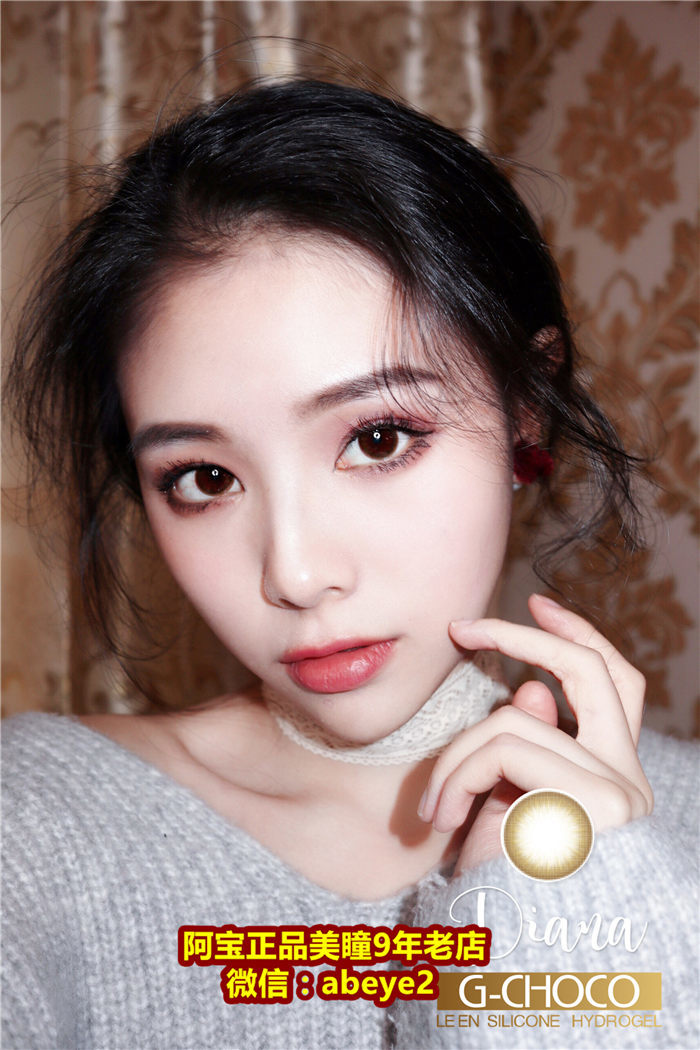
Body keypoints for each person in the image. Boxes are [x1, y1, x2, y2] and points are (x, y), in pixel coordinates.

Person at [2, 77, 697, 1050]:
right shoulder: (32, 828)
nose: (295, 574)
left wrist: (566, 891)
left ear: (526, 410)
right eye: (204, 477)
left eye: (377, 439)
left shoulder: (680, 825)